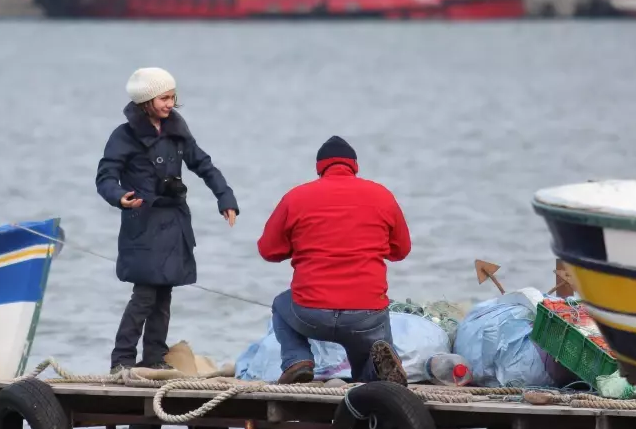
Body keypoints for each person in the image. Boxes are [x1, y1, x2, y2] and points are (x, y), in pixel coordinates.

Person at [96, 67, 239, 373]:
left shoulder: (177, 129)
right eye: (163, 98)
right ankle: (121, 360)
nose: (170, 103)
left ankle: (154, 357)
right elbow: (106, 175)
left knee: (164, 294)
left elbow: (203, 164)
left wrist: (224, 197)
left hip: (174, 222)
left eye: (173, 97)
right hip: (143, 222)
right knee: (144, 294)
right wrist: (120, 197)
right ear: (146, 99)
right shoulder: (124, 135)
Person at [257, 136, 412, 385]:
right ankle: (378, 373)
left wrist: (302, 246)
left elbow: (268, 250)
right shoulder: (382, 196)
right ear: (355, 166)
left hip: (310, 311)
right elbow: (401, 250)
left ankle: (297, 361)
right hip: (365, 314)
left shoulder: (296, 197)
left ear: (319, 168)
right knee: (372, 339)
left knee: (280, 304)